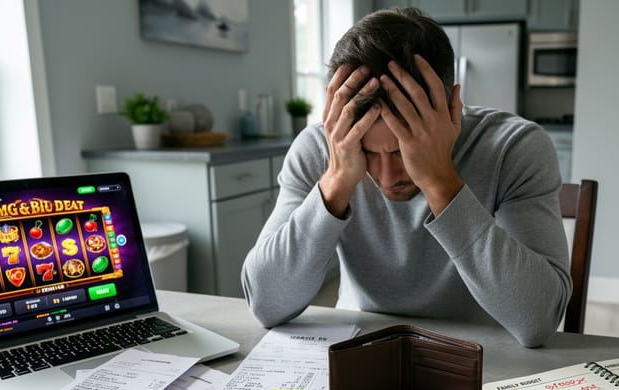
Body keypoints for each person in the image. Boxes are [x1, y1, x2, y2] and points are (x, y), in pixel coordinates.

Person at [241, 7, 570, 348]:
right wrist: (337, 179)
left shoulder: (514, 148)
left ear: (451, 108)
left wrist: (441, 182)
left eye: (401, 151)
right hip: (359, 349)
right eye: (367, 152)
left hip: (482, 355)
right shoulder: (321, 149)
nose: (387, 176)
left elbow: (537, 321)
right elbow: (266, 304)